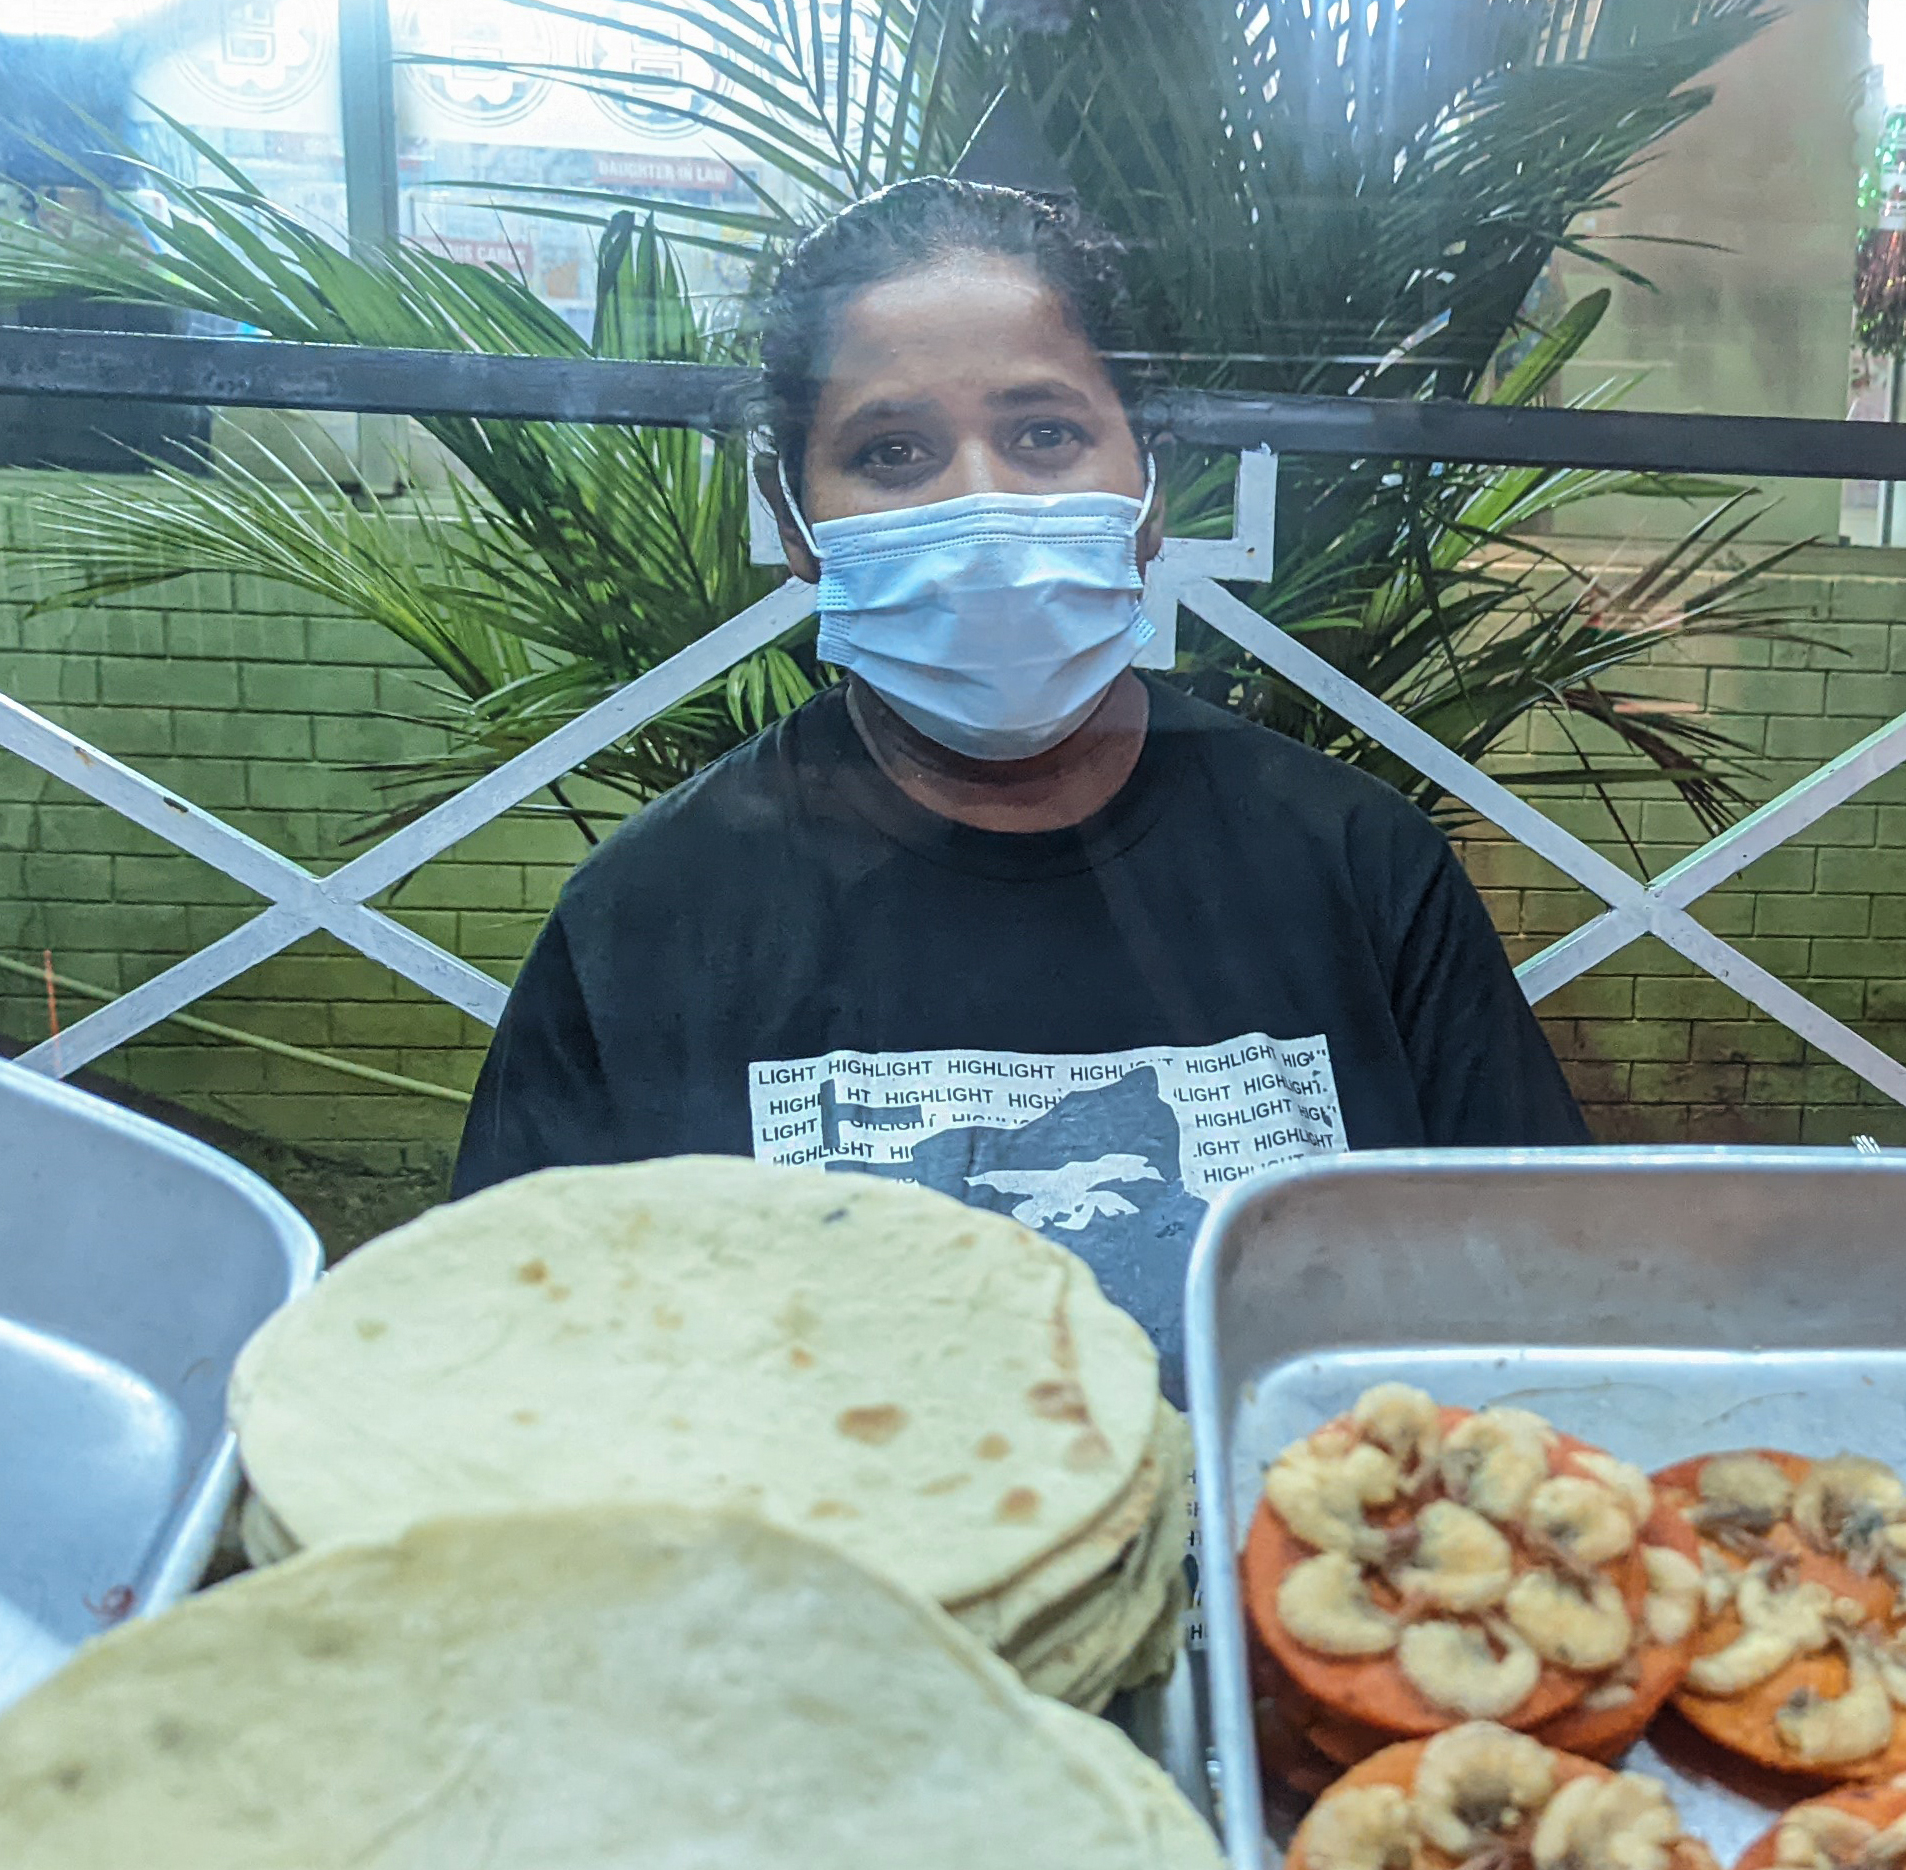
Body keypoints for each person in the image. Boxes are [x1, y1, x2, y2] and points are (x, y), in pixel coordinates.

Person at [453, 178, 1588, 1389]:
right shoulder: (654, 917)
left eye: (1043, 434)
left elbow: (1543, 1307)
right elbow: (513, 1372)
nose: (980, 506)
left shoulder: (1354, 865)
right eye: (891, 452)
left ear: (1149, 489)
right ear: (794, 518)